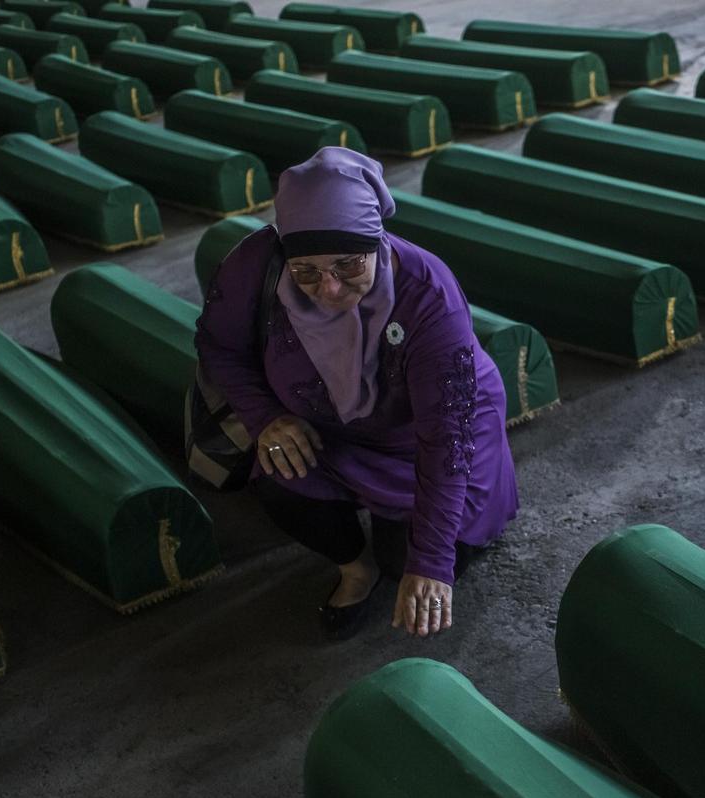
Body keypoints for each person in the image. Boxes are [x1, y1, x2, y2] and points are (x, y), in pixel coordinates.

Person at [195, 147, 518, 640]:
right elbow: (218, 345)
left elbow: (446, 438)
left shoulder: (427, 294)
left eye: (348, 265)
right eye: (306, 272)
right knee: (281, 472)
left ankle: (405, 546)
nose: (328, 289)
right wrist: (265, 418)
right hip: (330, 433)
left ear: (378, 244)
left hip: (428, 437)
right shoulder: (254, 267)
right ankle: (353, 567)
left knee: (408, 560)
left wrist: (430, 562)